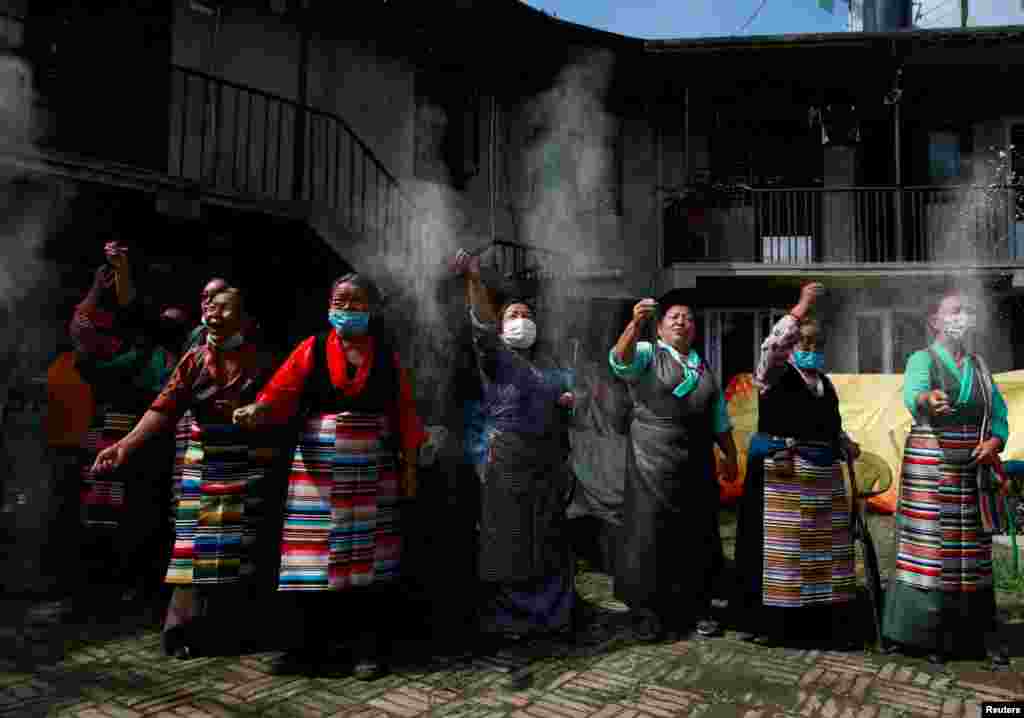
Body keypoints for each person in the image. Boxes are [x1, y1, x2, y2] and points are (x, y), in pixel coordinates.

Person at [232, 272, 426, 680]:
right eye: (341, 301)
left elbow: (405, 414)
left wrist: (409, 468)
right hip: (318, 470)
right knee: (313, 558)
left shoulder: (387, 357)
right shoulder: (313, 348)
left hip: (370, 469)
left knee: (366, 561)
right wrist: (258, 409)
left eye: (357, 302)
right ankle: (309, 648)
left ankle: (365, 649)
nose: (347, 309)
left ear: (371, 310)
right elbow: (280, 390)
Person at [91, 286, 275, 658]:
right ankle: (180, 629)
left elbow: (280, 406)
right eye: (209, 307)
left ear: (244, 319)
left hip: (245, 464)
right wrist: (125, 444)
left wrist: (260, 414)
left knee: (240, 547)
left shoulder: (261, 361)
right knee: (191, 546)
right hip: (200, 463)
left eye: (224, 309)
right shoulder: (193, 360)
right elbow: (163, 408)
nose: (214, 314)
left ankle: (230, 630)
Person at [450, 248, 577, 650]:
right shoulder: (496, 357)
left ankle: (552, 615)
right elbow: (482, 325)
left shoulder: (550, 367)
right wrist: (474, 279)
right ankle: (507, 617)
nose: (522, 320)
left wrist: (571, 401)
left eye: (526, 314)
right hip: (505, 462)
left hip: (547, 465)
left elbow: (572, 408)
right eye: (513, 315)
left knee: (547, 539)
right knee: (508, 541)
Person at [882, 289, 1010, 669]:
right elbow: (914, 394)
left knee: (971, 552)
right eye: (955, 311)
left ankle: (971, 633)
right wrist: (928, 400)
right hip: (931, 468)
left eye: (967, 311)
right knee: (932, 550)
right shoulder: (921, 359)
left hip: (972, 467)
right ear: (935, 322)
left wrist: (995, 440)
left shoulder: (980, 366)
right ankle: (924, 635)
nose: (963, 316)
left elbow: (998, 411)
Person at [730, 282, 861, 650]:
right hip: (781, 478)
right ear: (791, 347)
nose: (812, 350)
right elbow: (772, 344)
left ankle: (816, 619)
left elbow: (828, 424)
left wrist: (844, 441)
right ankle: (772, 623)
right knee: (779, 557)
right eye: (804, 344)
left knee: (819, 553)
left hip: (820, 482)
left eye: (817, 345)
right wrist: (801, 306)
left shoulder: (825, 385)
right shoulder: (772, 374)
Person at [609, 292, 738, 641]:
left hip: (695, 460)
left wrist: (730, 454)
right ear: (661, 328)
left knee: (697, 534)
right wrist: (636, 324)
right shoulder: (649, 352)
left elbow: (718, 416)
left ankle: (697, 607)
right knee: (651, 534)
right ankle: (649, 613)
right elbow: (619, 362)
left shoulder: (702, 364)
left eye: (689, 318)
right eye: (674, 317)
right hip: (651, 456)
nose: (682, 321)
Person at [71, 240, 178, 608]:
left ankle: (137, 583)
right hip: (110, 423)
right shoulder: (95, 326)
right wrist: (101, 286)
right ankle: (109, 582)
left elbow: (134, 309)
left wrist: (123, 271)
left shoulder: (153, 333)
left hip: (142, 426)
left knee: (142, 506)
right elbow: (83, 348)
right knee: (104, 507)